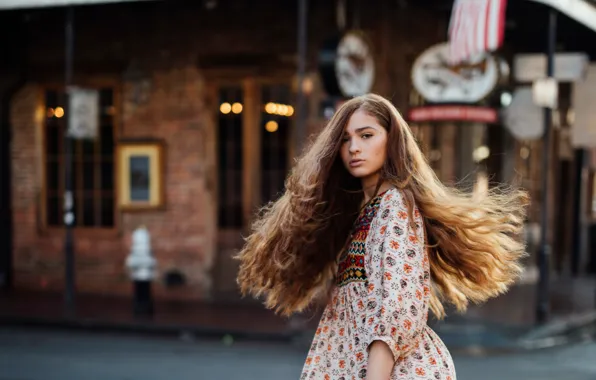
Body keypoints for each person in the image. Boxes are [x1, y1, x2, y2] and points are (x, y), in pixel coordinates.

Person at [236, 93, 528, 380]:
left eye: (366, 135)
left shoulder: (393, 207)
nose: (354, 148)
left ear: (391, 140)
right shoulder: (367, 211)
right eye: (346, 140)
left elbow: (393, 312)